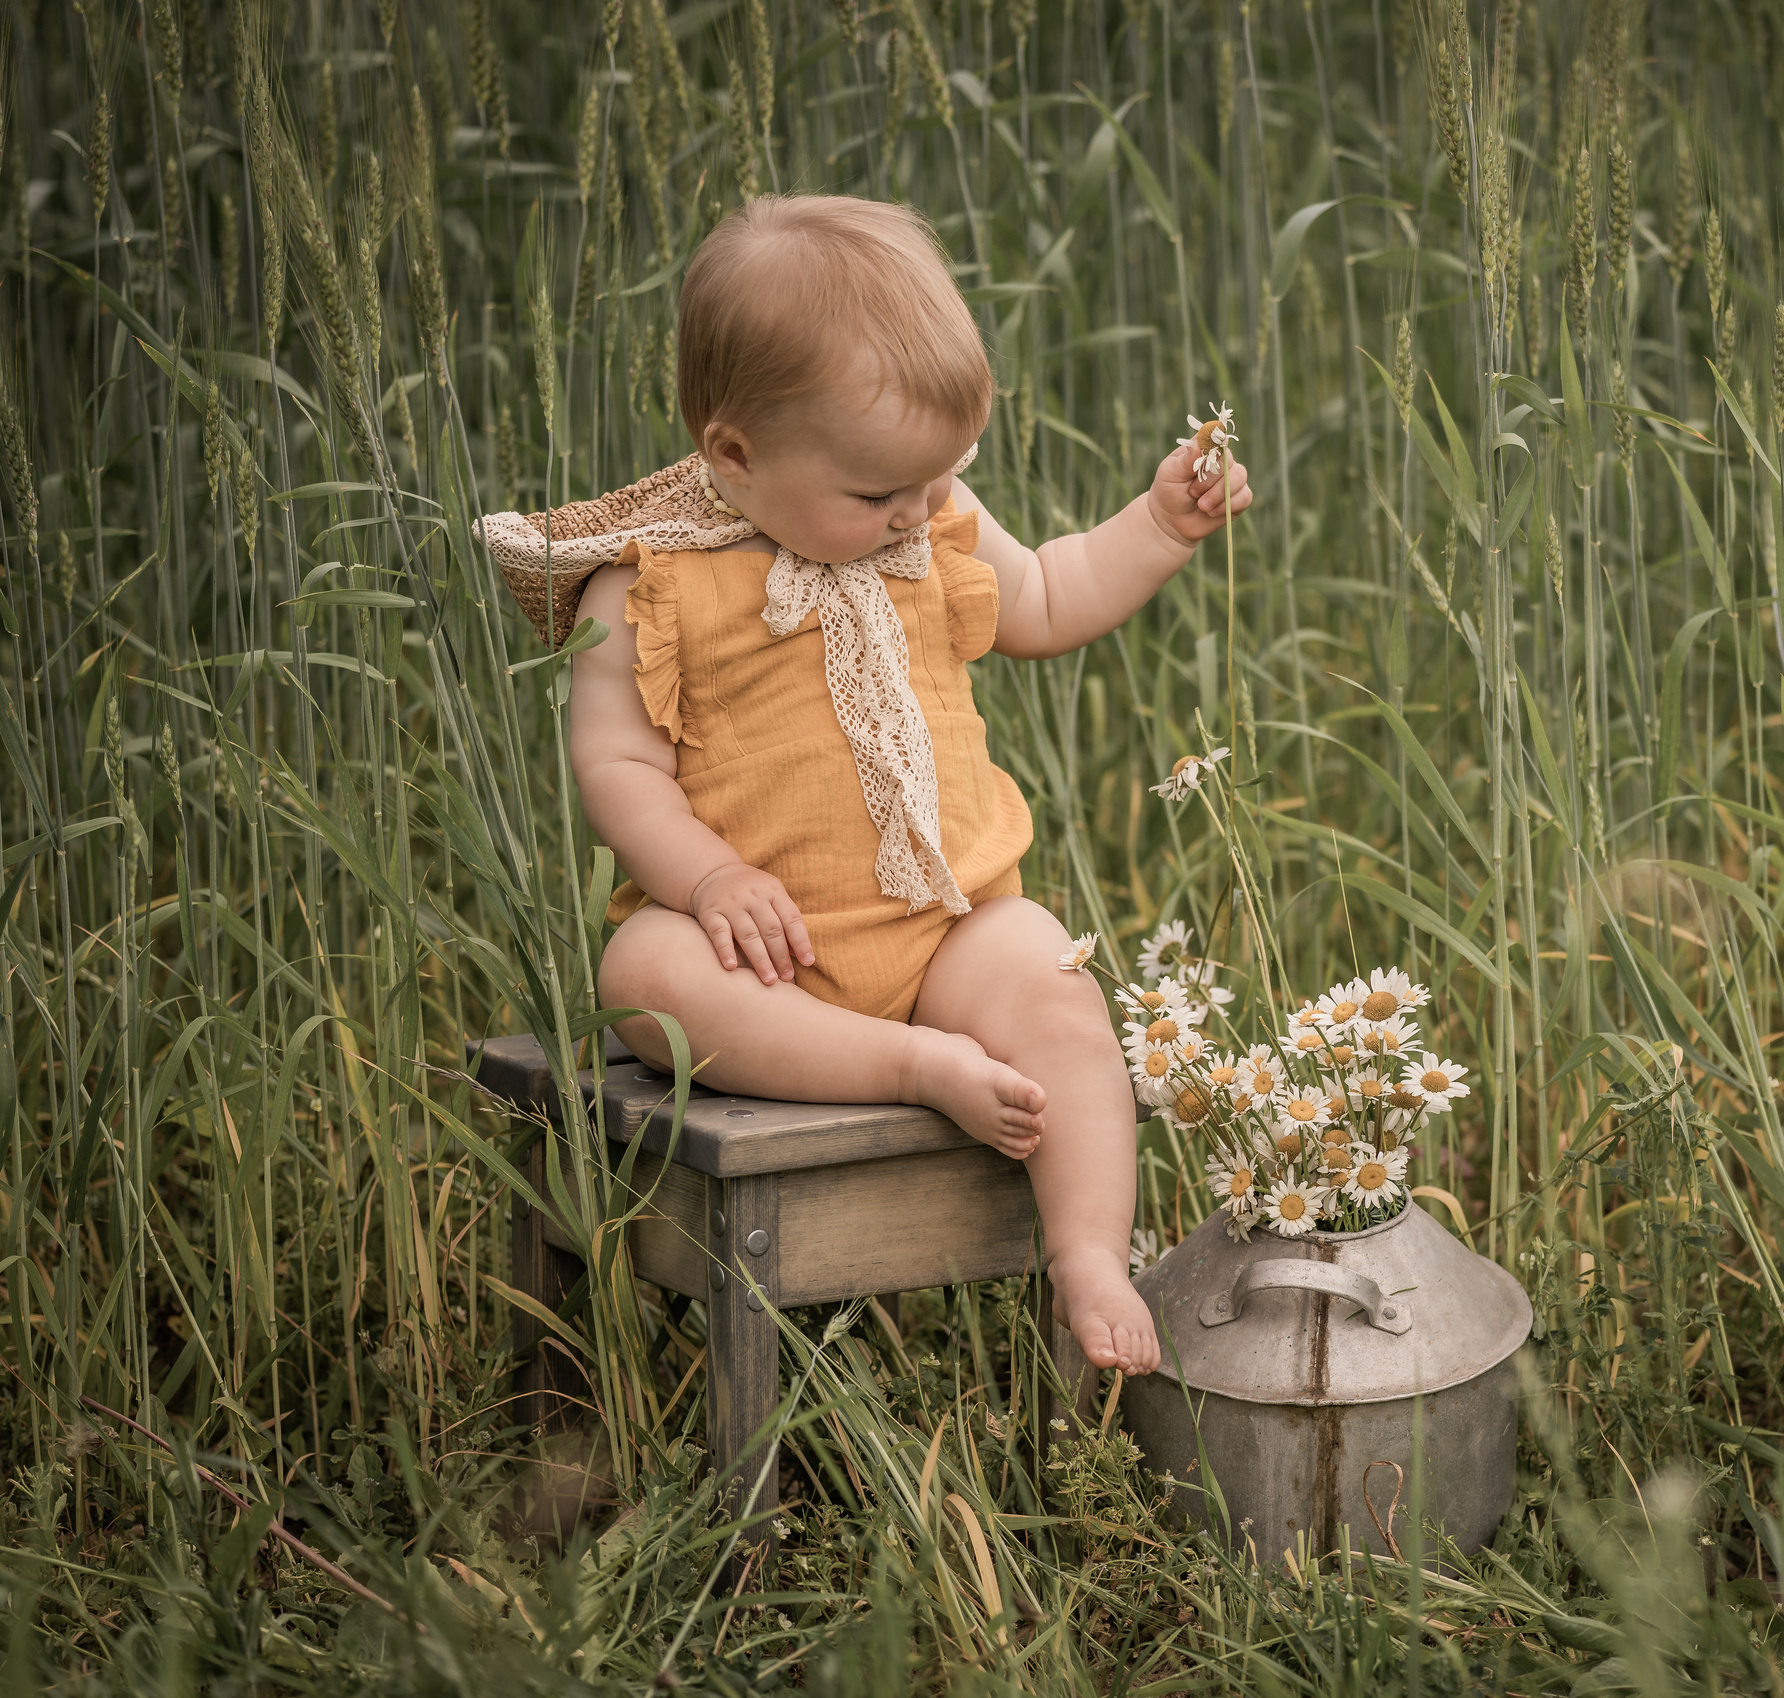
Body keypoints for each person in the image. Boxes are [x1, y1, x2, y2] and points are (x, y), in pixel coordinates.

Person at [474, 195, 1252, 1375]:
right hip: (761, 955)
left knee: (1054, 983)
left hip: (944, 935)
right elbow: (617, 766)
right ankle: (908, 1068)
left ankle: (1087, 1251)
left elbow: (1044, 598)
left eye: (938, 479)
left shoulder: (930, 520)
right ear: (734, 453)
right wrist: (711, 876)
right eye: (878, 493)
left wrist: (1157, 525)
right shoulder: (648, 587)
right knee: (642, 976)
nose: (918, 511)